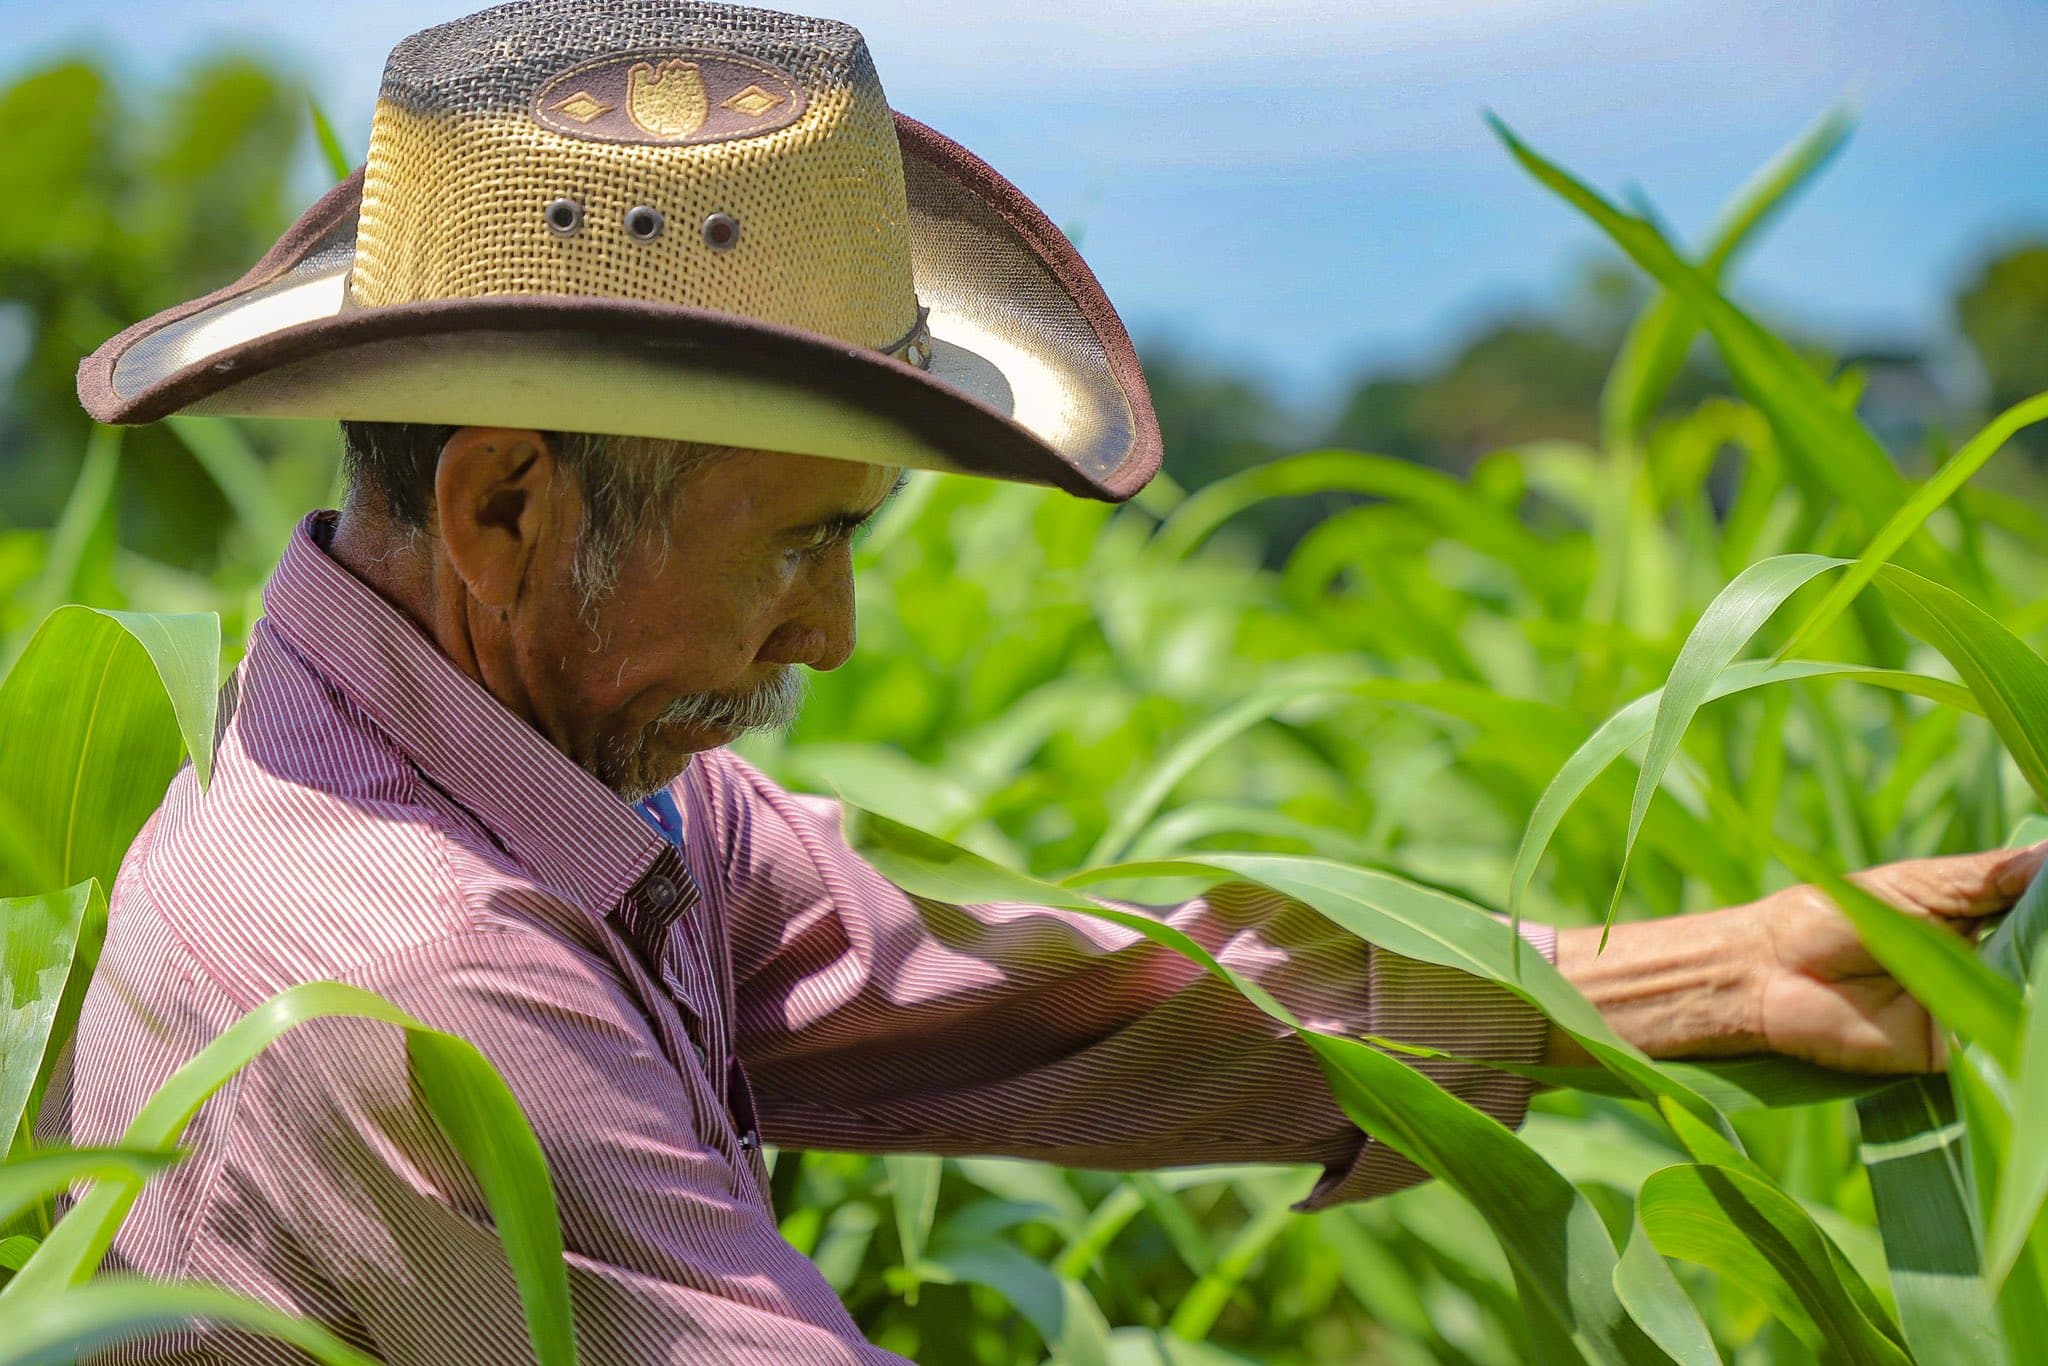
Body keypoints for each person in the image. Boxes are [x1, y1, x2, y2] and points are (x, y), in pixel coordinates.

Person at [56, 1, 2045, 1361]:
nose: (830, 631)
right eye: (801, 541)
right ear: (502, 511)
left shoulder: (547, 778)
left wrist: (1687, 976)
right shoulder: (413, 976)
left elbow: (1065, 1008)